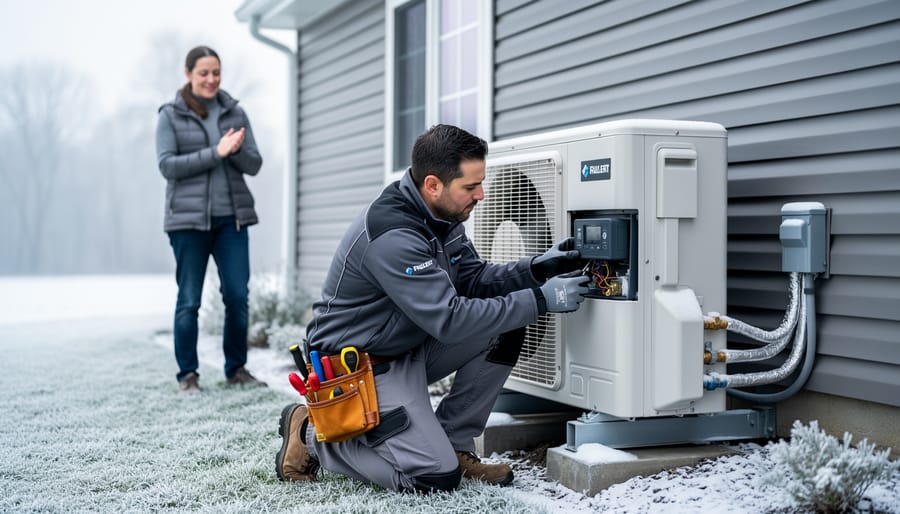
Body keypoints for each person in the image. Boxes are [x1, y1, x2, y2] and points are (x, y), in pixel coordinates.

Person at [275, 124, 589, 492]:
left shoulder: (442, 217)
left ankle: (454, 442)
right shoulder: (393, 236)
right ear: (433, 184)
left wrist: (535, 269)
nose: (481, 195)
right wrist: (541, 299)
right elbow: (450, 319)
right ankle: (311, 435)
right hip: (359, 368)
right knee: (433, 477)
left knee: (506, 325)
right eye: (470, 187)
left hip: (407, 345)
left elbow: (473, 279)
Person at [155, 46, 266, 393]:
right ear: (188, 73)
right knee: (189, 299)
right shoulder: (170, 115)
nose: (211, 79)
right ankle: (188, 375)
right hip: (187, 224)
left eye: (216, 72)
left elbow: (254, 164)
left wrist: (235, 150)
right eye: (203, 72)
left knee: (237, 296)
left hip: (231, 221)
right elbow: (167, 165)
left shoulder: (235, 112)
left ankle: (236, 369)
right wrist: (216, 152)